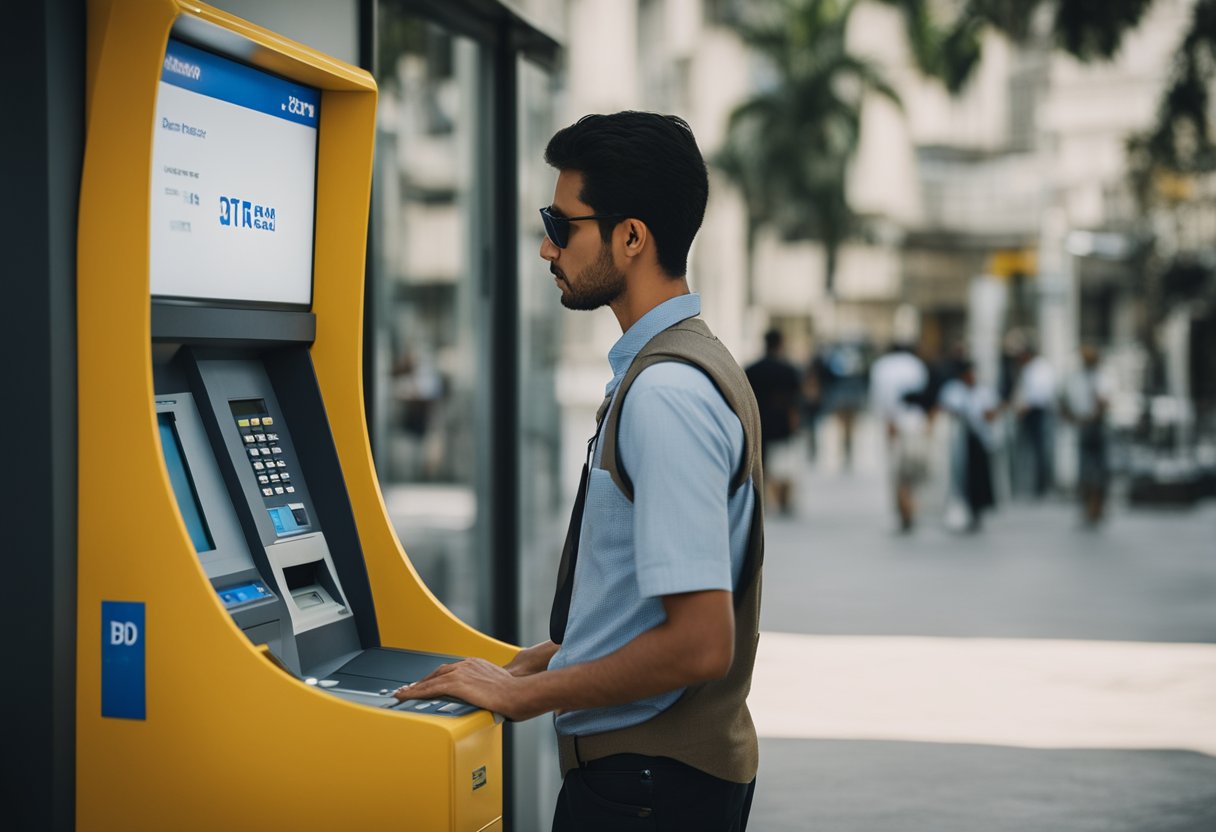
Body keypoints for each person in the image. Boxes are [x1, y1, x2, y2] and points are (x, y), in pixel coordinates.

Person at [394, 112, 763, 831]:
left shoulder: (666, 395)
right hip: (663, 780)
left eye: (563, 226)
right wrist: (525, 665)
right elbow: (638, 607)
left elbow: (699, 641)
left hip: (646, 789)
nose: (545, 247)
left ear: (631, 238)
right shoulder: (692, 365)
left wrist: (520, 698)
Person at [869, 342, 931, 532]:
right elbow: (925, 395)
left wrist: (888, 422)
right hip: (916, 423)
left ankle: (903, 507)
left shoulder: (881, 367)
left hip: (894, 423)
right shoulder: (917, 365)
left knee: (897, 471)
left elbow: (880, 398)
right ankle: (909, 506)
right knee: (913, 470)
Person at [746, 328, 801, 514]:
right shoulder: (788, 370)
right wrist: (794, 423)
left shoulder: (752, 369)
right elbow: (794, 401)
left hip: (759, 423)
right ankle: (784, 501)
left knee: (762, 464)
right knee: (784, 465)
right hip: (782, 423)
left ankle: (764, 499)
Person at [940, 360, 999, 531]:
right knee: (962, 479)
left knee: (979, 479)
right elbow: (948, 409)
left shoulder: (984, 392)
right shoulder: (954, 391)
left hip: (980, 441)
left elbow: (992, 413)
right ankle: (964, 511)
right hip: (962, 443)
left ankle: (977, 511)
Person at [1063, 345, 1113, 526]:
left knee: (1099, 470)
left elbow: (1105, 402)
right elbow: (1068, 401)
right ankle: (1087, 507)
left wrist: (1094, 416)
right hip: (1085, 425)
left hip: (1097, 427)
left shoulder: (1101, 378)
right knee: (1085, 470)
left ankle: (1097, 507)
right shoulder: (1077, 379)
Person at [1013, 344, 1056, 497]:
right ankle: (1033, 484)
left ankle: (1041, 485)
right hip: (1032, 411)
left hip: (1036, 412)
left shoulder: (1038, 368)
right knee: (1034, 449)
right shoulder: (1032, 368)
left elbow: (1039, 394)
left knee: (1039, 449)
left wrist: (1024, 408)